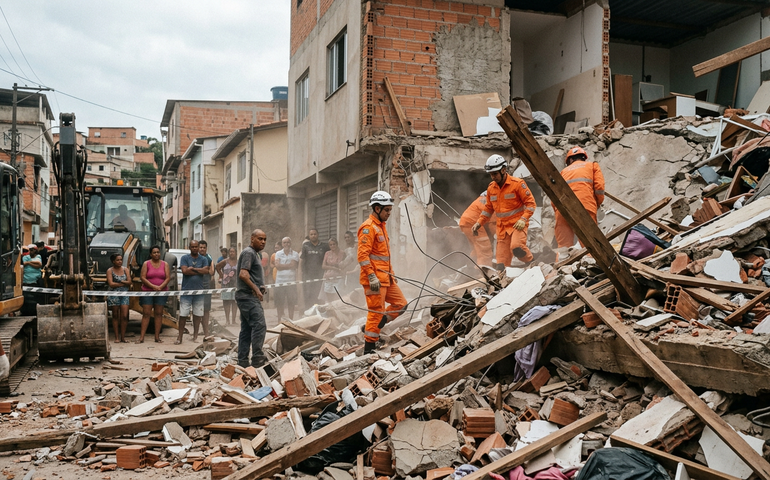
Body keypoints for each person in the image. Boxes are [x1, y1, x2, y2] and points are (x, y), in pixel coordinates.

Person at [358, 191, 407, 353]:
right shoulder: (368, 228)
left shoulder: (381, 227)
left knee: (401, 305)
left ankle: (375, 325)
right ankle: (369, 348)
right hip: (374, 281)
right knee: (375, 313)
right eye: (387, 210)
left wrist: (392, 274)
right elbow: (363, 256)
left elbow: (384, 256)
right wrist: (371, 276)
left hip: (386, 279)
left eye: (390, 210)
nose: (389, 214)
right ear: (377, 209)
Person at [472, 154, 537, 268]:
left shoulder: (517, 184)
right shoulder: (491, 188)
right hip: (502, 229)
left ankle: (532, 263)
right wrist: (479, 222)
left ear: (503, 170)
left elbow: (531, 204)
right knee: (501, 265)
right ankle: (502, 282)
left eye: (495, 174)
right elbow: (488, 208)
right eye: (491, 174)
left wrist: (523, 219)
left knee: (517, 248)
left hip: (518, 225)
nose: (493, 177)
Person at [554, 146, 606, 248]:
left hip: (562, 209)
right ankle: (589, 262)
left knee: (563, 246)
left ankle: (561, 263)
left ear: (571, 159)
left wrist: (557, 210)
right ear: (583, 157)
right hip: (585, 206)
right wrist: (596, 204)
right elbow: (599, 188)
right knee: (590, 242)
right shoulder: (592, 166)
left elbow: (554, 194)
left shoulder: (563, 172)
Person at [236, 229, 268, 368]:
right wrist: (256, 289)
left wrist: (260, 285)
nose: (263, 242)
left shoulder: (255, 254)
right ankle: (257, 360)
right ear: (252, 238)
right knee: (260, 326)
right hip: (248, 296)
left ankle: (243, 361)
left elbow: (250, 274)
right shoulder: (249, 253)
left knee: (247, 329)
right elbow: (243, 274)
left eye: (264, 239)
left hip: (246, 296)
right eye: (260, 239)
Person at [177, 240, 210, 344]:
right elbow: (185, 271)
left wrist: (193, 269)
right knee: (183, 314)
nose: (195, 248)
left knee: (197, 315)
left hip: (199, 291)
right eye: (193, 247)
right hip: (186, 291)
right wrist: (199, 270)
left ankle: (195, 336)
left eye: (196, 247)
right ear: (190, 248)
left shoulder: (204, 259)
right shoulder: (184, 258)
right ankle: (180, 337)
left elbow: (206, 271)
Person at [139, 245, 170, 343]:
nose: (156, 254)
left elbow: (168, 278)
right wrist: (153, 286)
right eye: (154, 252)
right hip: (147, 291)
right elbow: (143, 277)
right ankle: (141, 337)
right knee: (146, 314)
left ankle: (157, 337)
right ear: (150, 254)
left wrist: (160, 287)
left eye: (158, 252)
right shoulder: (146, 264)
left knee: (158, 313)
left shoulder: (165, 264)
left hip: (161, 292)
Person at [459, 192, 496, 266]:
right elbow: (492, 224)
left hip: (465, 223)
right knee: (485, 249)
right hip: (473, 224)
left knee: (477, 249)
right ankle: (485, 272)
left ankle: (471, 268)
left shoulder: (482, 199)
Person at [299, 228, 329, 309]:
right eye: (311, 234)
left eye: (315, 234)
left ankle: (320, 312)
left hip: (321, 275)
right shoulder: (306, 246)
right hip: (308, 275)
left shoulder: (324, 246)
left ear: (318, 235)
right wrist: (300, 273)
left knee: (320, 295)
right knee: (308, 294)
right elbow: (301, 260)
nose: (313, 236)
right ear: (309, 236)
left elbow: (330, 257)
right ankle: (308, 311)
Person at [106, 253, 131, 343]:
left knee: (124, 316)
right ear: (113, 261)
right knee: (115, 315)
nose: (120, 261)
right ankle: (117, 337)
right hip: (114, 294)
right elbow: (111, 284)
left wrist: (121, 283)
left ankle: (123, 337)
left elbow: (129, 281)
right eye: (117, 260)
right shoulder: (110, 270)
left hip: (124, 294)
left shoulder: (125, 269)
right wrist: (122, 283)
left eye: (121, 260)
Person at [274, 237, 299, 320]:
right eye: (284, 242)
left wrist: (282, 265)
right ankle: (279, 320)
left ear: (290, 243)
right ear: (282, 244)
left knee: (291, 302)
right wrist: (289, 265)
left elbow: (294, 265)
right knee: (279, 302)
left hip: (291, 282)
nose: (286, 244)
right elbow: (277, 266)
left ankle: (291, 320)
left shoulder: (295, 254)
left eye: (288, 242)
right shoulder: (278, 253)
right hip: (279, 282)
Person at [216, 247, 239, 325]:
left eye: (233, 251)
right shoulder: (225, 261)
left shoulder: (238, 262)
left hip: (235, 285)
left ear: (236, 252)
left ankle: (233, 320)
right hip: (226, 285)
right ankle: (227, 320)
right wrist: (221, 275)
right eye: (230, 252)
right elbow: (217, 267)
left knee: (234, 302)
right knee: (226, 302)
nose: (232, 253)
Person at [199, 240, 215, 337]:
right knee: (196, 310)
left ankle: (206, 332)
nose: (202, 249)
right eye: (200, 247)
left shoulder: (209, 258)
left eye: (204, 247)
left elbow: (211, 272)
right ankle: (196, 332)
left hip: (206, 286)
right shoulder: (195, 257)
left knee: (206, 310)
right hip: (196, 287)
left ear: (206, 248)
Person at [322, 237, 345, 303]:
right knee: (329, 298)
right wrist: (333, 268)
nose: (332, 246)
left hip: (338, 278)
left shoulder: (342, 253)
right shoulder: (327, 253)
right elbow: (323, 266)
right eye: (330, 245)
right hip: (328, 277)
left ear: (337, 244)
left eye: (334, 244)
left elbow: (345, 264)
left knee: (337, 297)